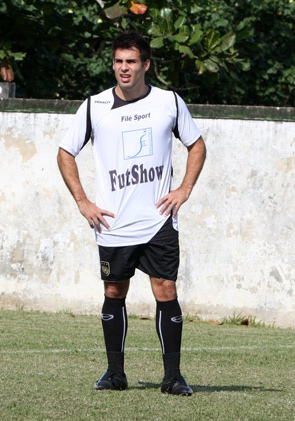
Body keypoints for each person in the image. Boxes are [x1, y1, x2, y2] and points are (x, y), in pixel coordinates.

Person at [57, 32, 206, 395]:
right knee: (114, 289)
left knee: (166, 288)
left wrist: (183, 190)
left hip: (157, 219)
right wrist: (83, 202)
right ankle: (114, 373)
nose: (124, 68)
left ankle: (172, 377)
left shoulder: (168, 102)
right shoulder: (94, 106)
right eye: (119, 61)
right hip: (113, 224)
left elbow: (197, 145)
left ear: (146, 65)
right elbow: (65, 153)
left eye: (131, 62)